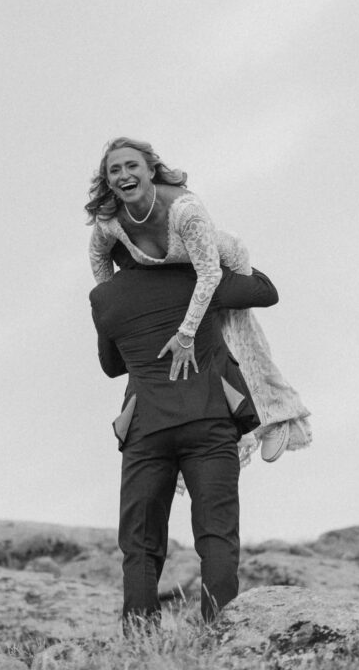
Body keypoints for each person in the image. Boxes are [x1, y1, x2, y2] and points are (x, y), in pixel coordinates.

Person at [86, 137, 311, 466]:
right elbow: (97, 255)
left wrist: (186, 333)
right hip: (165, 275)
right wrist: (120, 303)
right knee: (183, 347)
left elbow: (208, 274)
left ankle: (274, 415)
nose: (123, 174)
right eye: (114, 170)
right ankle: (222, 430)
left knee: (233, 331)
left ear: (150, 171)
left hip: (216, 264)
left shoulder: (185, 211)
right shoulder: (111, 220)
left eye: (131, 166)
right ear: (108, 181)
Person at [90, 246, 279, 624]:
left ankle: (141, 641)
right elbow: (265, 290)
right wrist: (216, 247)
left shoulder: (104, 296)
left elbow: (112, 366)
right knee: (217, 536)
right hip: (209, 419)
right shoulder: (199, 276)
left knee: (140, 544)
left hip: (146, 428)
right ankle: (219, 633)